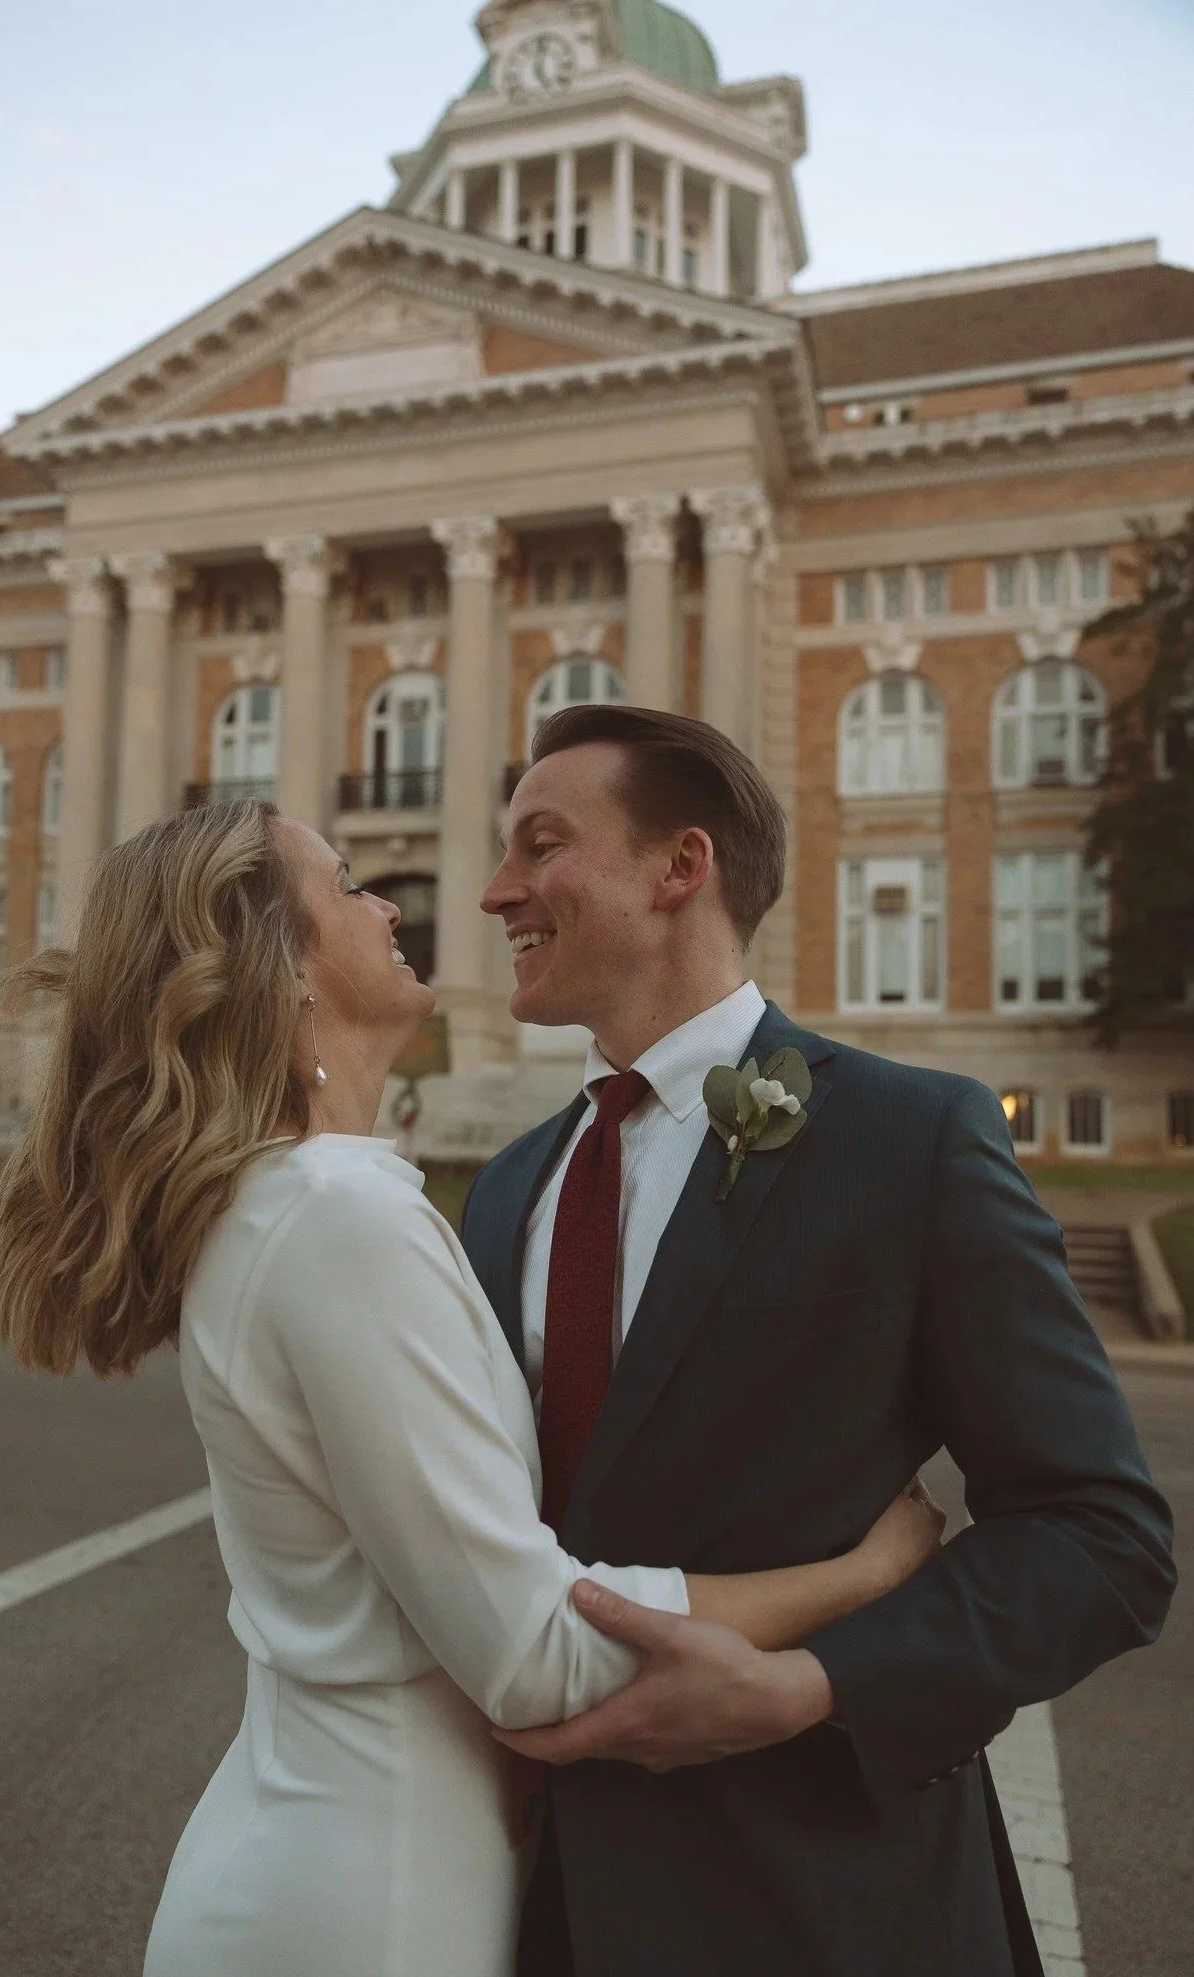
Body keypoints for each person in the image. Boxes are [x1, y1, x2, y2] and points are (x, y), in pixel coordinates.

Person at [0, 799, 944, 1977]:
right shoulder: (339, 1218)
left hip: (338, 1841)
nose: (389, 905)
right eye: (344, 888)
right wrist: (864, 1575)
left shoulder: (288, 1204)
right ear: (281, 964)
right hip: (373, 1895)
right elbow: (535, 1656)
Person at [464, 702, 1177, 1977]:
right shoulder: (510, 1186)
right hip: (536, 1898)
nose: (494, 890)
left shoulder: (912, 1141)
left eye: (540, 843)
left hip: (826, 1905)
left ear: (681, 868)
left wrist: (818, 1685)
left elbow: (1102, 1536)